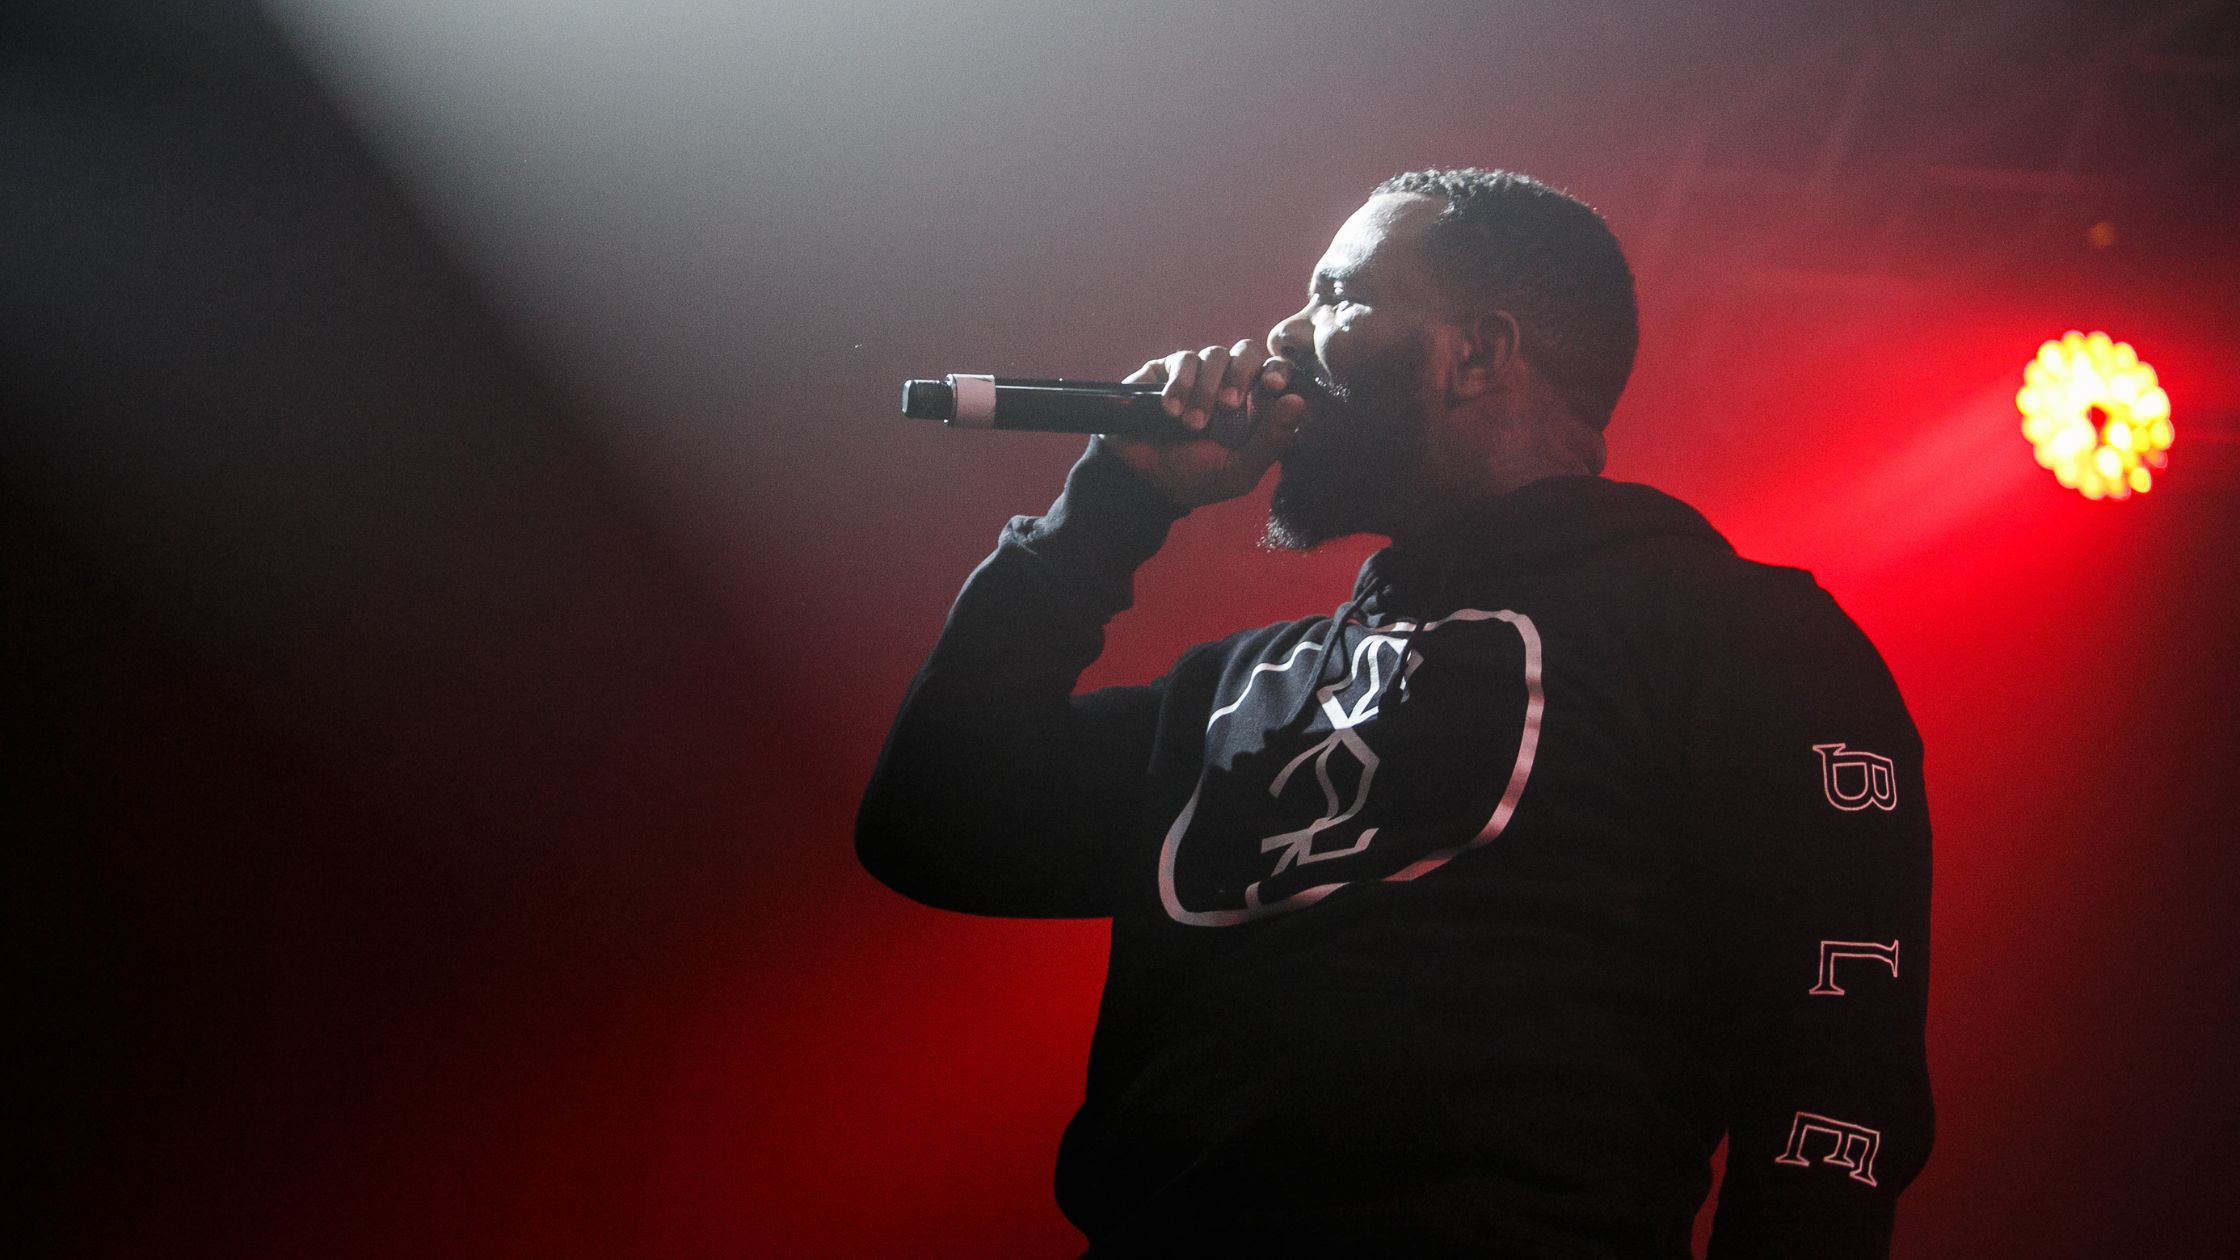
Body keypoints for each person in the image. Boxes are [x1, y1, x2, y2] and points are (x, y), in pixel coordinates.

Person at [856, 168, 1932, 1257]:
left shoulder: (1733, 631)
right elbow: (935, 822)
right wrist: (1110, 506)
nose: (1282, 335)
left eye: (1336, 295)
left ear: (1478, 353)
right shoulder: (1234, 691)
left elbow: (1840, 1060)